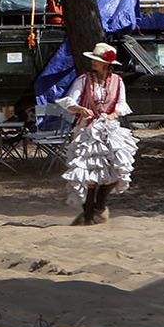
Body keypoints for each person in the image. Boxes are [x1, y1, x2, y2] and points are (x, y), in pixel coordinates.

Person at [56, 43, 138, 226]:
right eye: (93, 60)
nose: (93, 62)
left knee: (117, 167)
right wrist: (80, 109)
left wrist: (112, 115)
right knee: (88, 172)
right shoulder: (84, 79)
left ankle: (100, 204)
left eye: (97, 60)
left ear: (106, 64)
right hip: (88, 130)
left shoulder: (117, 81)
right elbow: (71, 100)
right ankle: (88, 213)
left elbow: (122, 104)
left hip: (110, 129)